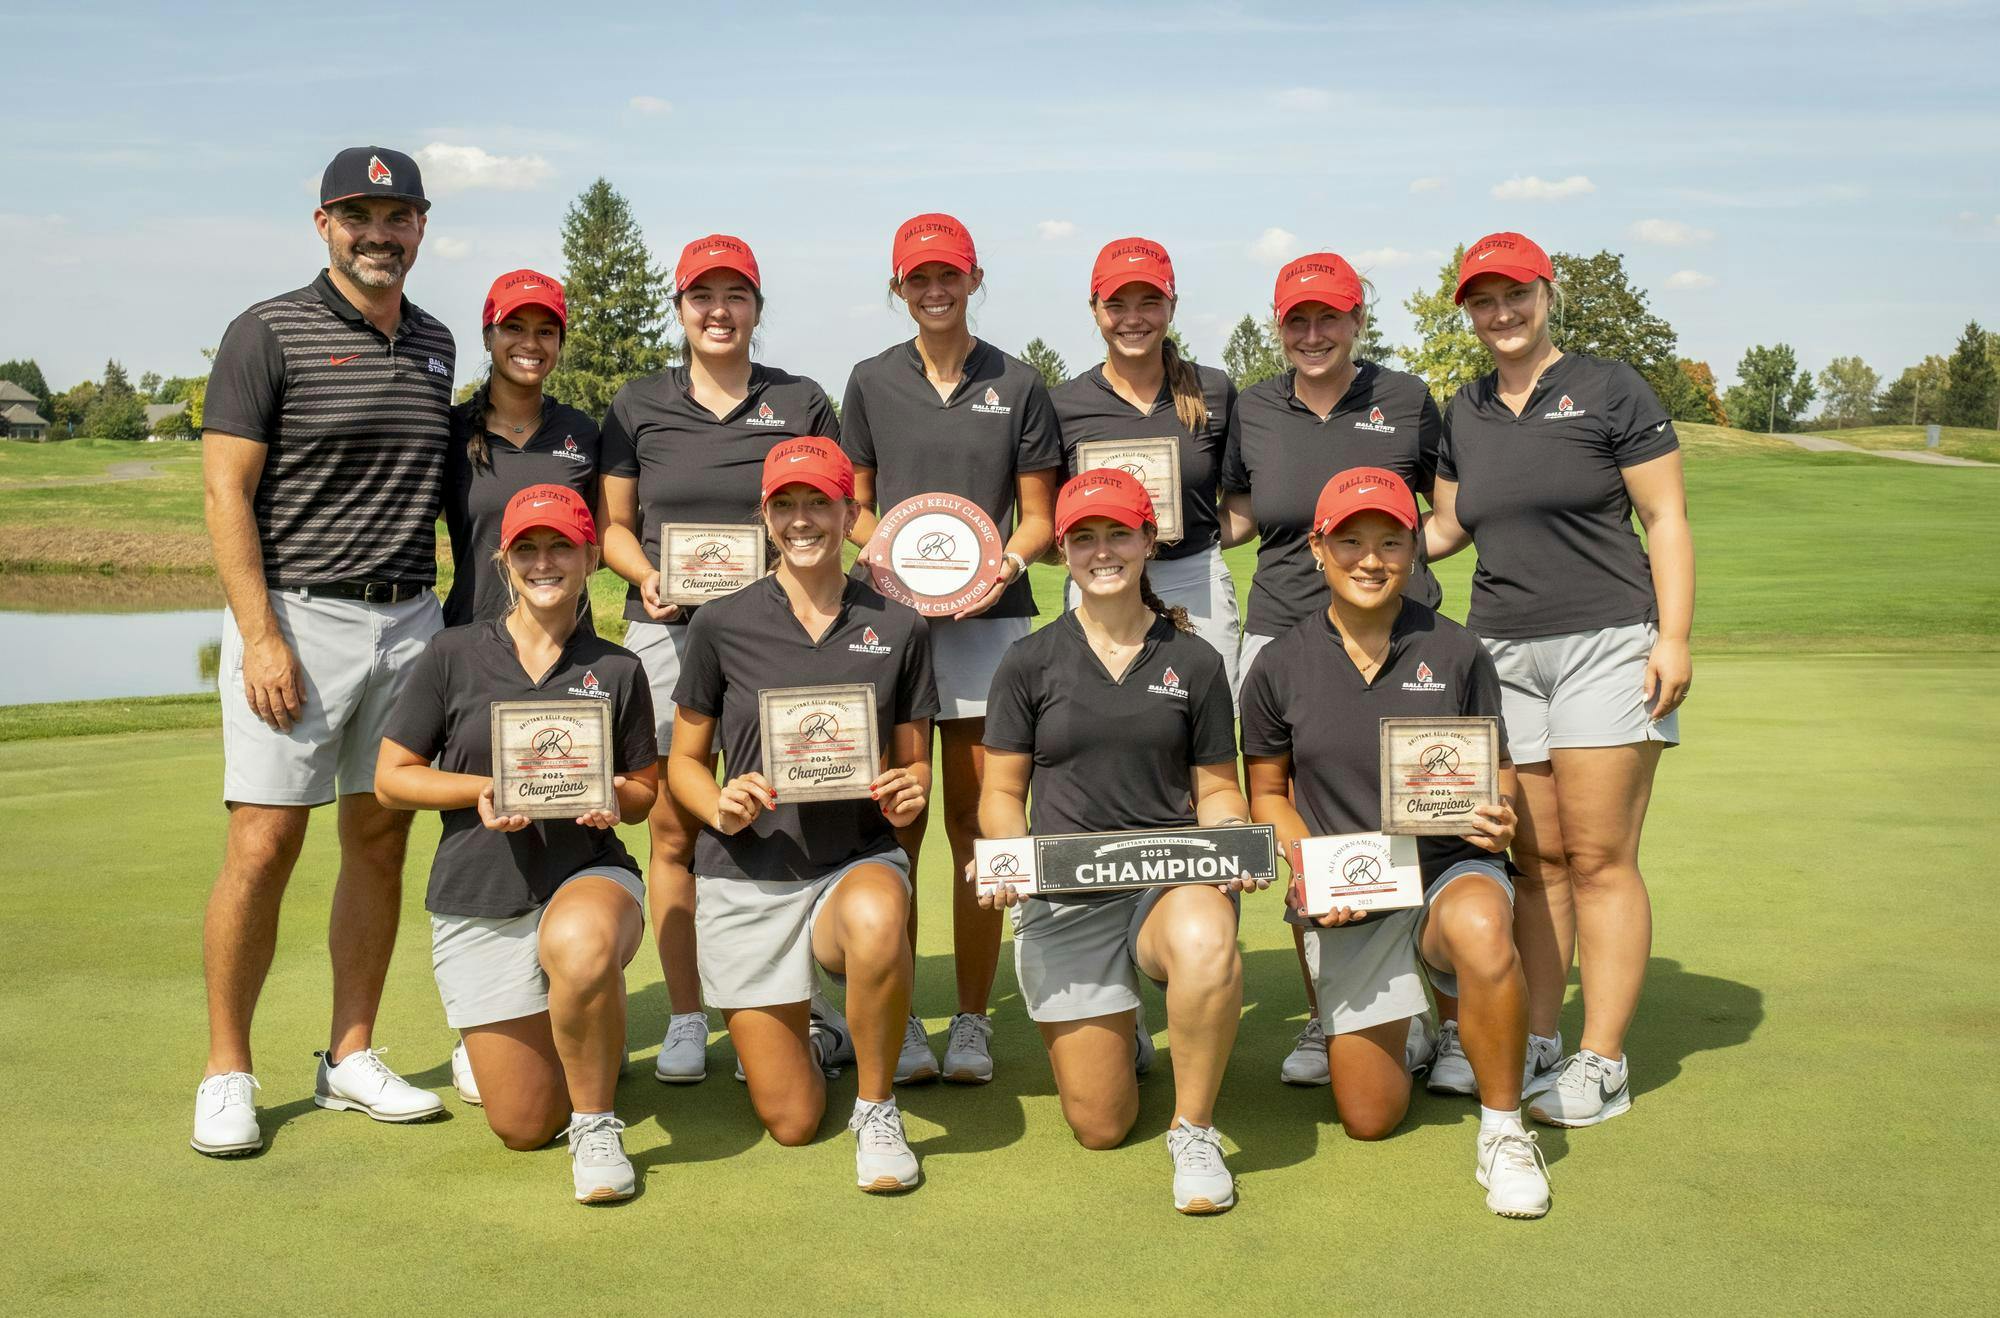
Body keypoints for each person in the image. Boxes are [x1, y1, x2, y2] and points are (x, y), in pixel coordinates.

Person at [192, 146, 454, 1156]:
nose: (376, 234)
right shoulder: (265, 331)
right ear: (322, 225)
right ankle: (227, 1069)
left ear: (420, 228)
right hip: (296, 619)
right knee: (262, 844)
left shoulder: (435, 341)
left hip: (407, 621)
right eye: (356, 215)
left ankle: (350, 1054)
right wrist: (259, 636)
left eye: (395, 217)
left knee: (379, 836)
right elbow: (225, 495)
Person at [1425, 231, 1693, 1126]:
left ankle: (1603, 1058)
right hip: (1500, 651)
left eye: (1515, 296)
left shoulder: (1611, 385)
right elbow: (1448, 528)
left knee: (1600, 857)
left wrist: (1675, 637)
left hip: (1607, 641)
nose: (1499, 314)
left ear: (1547, 293)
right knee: (1534, 862)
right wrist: (1341, 548)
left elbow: (1665, 517)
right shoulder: (1463, 408)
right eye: (1482, 300)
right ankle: (1539, 1036)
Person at [1241, 468, 1550, 1218]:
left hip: (1450, 869)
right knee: (1369, 1119)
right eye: (1350, 541)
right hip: (1356, 892)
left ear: (1415, 550)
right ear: (1318, 548)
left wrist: (1501, 812)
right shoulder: (1279, 664)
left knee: (1481, 927)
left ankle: (1505, 1131)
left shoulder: (1455, 650)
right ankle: (1414, 1026)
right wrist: (1310, 866)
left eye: (1389, 541)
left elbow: (1498, 770)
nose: (1370, 559)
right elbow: (1268, 793)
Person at [979, 468, 1261, 1215]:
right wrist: (1009, 857)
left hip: (1166, 886)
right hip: (1067, 899)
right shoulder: (1029, 662)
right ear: (1063, 550)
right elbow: (1002, 795)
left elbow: (1216, 787)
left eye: (1119, 534)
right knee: (1100, 1126)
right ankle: (1127, 1028)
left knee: (1206, 937)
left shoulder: (1195, 660)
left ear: (1148, 541)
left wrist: (1230, 838)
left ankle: (1194, 1130)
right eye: (1085, 538)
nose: (1103, 551)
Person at [599, 234, 843, 1084]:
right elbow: (613, 526)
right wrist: (646, 576)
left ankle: (796, 1003)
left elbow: (832, 509)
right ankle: (688, 1014)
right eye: (702, 295)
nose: (718, 310)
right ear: (679, 308)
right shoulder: (638, 404)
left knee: (796, 806)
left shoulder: (802, 399)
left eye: (735, 295)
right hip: (668, 633)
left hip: (781, 632)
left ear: (757, 308)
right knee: (674, 825)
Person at [374, 486, 658, 1203]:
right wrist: (479, 790)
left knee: (583, 943)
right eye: (527, 548)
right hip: (480, 893)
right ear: (503, 560)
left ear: (591, 557)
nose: (544, 562)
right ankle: (573, 1034)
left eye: (561, 546)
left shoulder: (618, 668)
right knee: (525, 1124)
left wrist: (610, 797)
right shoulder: (452, 654)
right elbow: (391, 779)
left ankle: (596, 1125)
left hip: (587, 876)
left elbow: (644, 791)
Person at [667, 438, 935, 1192]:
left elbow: (915, 763)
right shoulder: (720, 624)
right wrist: (716, 800)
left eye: (819, 501)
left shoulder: (901, 626)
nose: (802, 518)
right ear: (764, 516)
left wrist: (912, 788)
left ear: (851, 513)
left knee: (881, 916)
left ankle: (878, 1108)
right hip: (749, 874)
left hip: (853, 863)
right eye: (785, 504)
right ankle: (820, 1034)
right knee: (791, 1122)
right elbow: (686, 763)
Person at [841, 212, 1062, 1086]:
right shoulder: (867, 380)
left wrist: (996, 564)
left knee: (977, 825)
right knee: (896, 823)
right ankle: (898, 1021)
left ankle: (970, 1019)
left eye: (950, 276)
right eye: (918, 278)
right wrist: (891, 553)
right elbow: (852, 503)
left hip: (991, 624)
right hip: (890, 627)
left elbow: (1040, 513)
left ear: (974, 280)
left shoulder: (1019, 379)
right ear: (898, 287)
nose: (935, 291)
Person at [1217, 251, 1447, 1087]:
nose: (1314, 334)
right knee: (1304, 822)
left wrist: (1400, 575)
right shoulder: (1251, 408)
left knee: (1421, 811)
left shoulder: (1408, 399)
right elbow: (1239, 515)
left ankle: (1438, 1014)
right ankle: (1326, 1012)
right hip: (1284, 635)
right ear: (1279, 327)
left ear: (1358, 320)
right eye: (1297, 321)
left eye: (1330, 318)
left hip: (1402, 636)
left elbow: (1446, 514)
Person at [1050, 237, 1242, 693]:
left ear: (1171, 306)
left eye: (1150, 302)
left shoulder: (1214, 391)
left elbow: (1242, 501)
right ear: (1095, 309)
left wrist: (1191, 536)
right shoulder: (1063, 405)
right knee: (1100, 721)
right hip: (1098, 577)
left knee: (1205, 730)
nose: (1132, 319)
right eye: (1116, 304)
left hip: (1195, 579)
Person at [442, 270, 601, 629]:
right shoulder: (451, 430)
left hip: (569, 645)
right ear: (488, 337)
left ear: (560, 342)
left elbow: (600, 542)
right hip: (471, 638)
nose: (530, 343)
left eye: (545, 331)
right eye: (514, 327)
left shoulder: (583, 431)